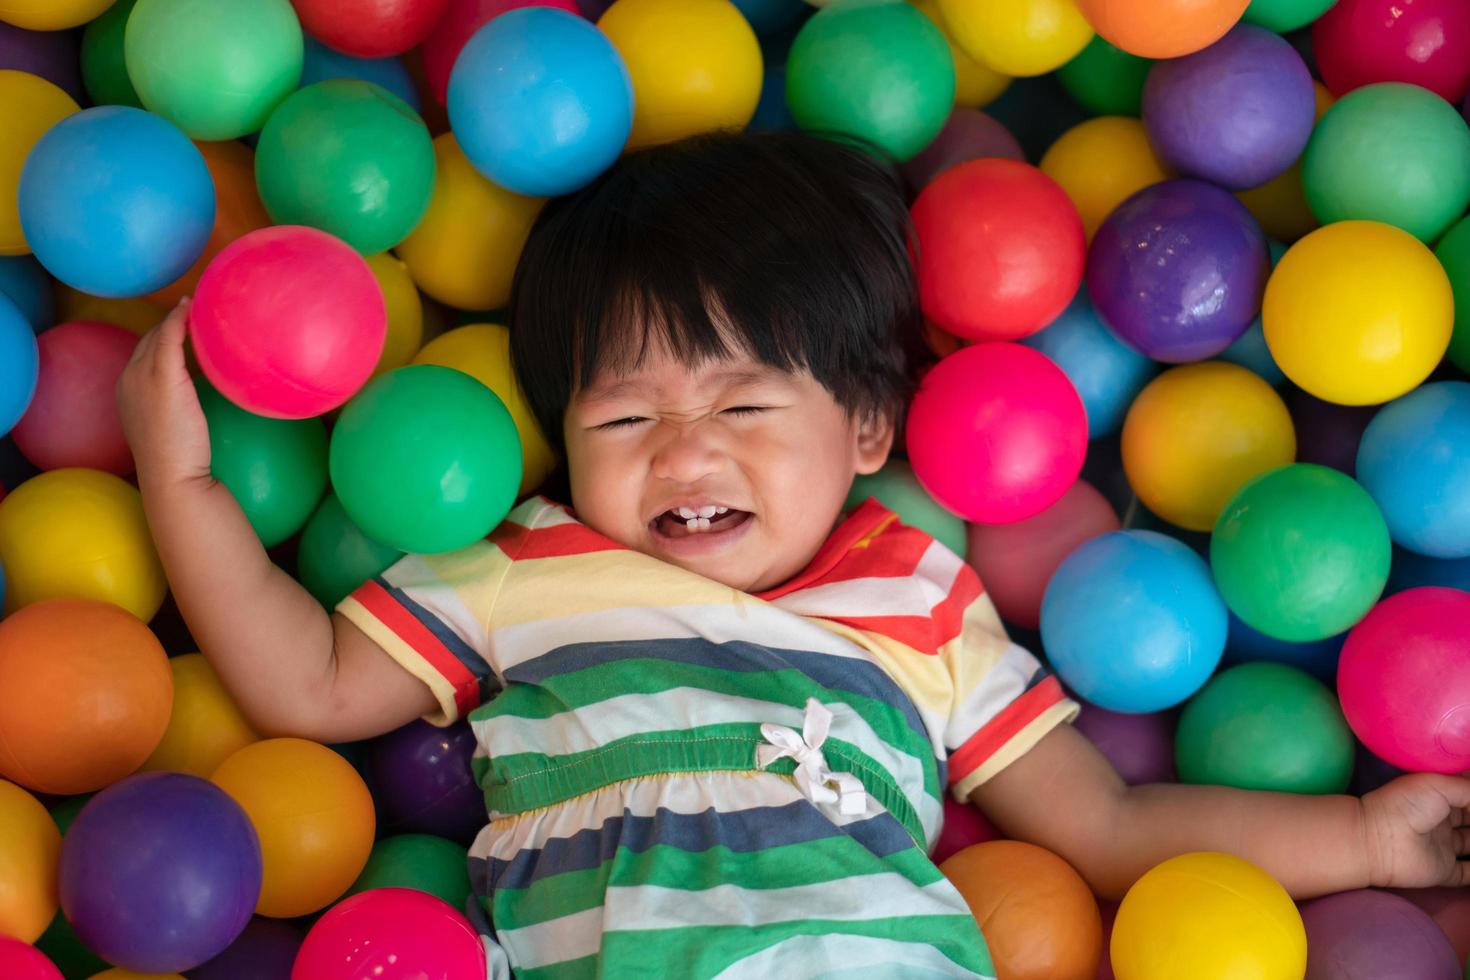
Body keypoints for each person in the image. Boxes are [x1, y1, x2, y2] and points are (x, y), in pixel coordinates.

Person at [119, 130, 1469, 978]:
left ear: (868, 426)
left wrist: (1364, 838)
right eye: (626, 414)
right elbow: (304, 686)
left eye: (743, 406)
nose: (684, 454)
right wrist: (177, 474)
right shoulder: (522, 566)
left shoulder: (923, 601)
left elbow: (1107, 826)